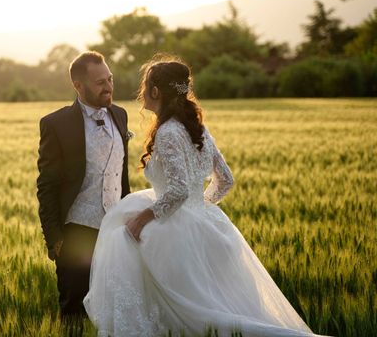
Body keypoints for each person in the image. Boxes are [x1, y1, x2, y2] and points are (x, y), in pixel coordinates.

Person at [83, 59, 326, 337]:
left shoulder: (167, 131)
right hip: (206, 224)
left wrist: (144, 218)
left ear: (155, 92)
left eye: (145, 86)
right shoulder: (197, 129)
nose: (141, 93)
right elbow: (226, 180)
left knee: (124, 240)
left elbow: (178, 190)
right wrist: (200, 209)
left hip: (174, 232)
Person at [36, 51, 132, 331]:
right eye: (100, 82)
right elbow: (47, 184)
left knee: (115, 307)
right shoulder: (56, 123)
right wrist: (54, 237)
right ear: (78, 85)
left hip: (116, 230)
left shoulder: (120, 115)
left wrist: (127, 216)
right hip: (77, 230)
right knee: (75, 311)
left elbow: (120, 175)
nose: (109, 86)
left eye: (110, 79)